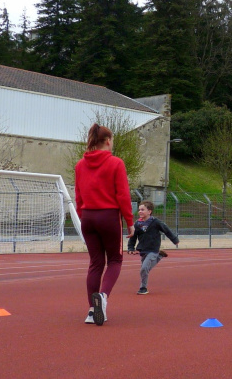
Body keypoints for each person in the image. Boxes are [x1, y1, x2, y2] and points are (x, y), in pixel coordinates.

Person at [75, 123, 134, 326]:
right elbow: (123, 196)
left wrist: (84, 217)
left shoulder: (80, 165)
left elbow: (79, 196)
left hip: (88, 217)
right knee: (115, 260)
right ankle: (103, 296)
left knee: (95, 263)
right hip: (109, 216)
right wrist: (130, 222)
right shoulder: (116, 163)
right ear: (108, 141)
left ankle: (92, 310)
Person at [127, 200, 180, 294]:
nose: (140, 211)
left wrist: (175, 240)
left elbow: (166, 230)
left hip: (153, 249)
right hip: (143, 250)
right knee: (145, 269)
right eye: (139, 210)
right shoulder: (137, 224)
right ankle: (159, 256)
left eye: (142, 209)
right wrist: (131, 248)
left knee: (144, 269)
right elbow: (133, 237)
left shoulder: (156, 222)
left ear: (149, 211)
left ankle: (143, 288)